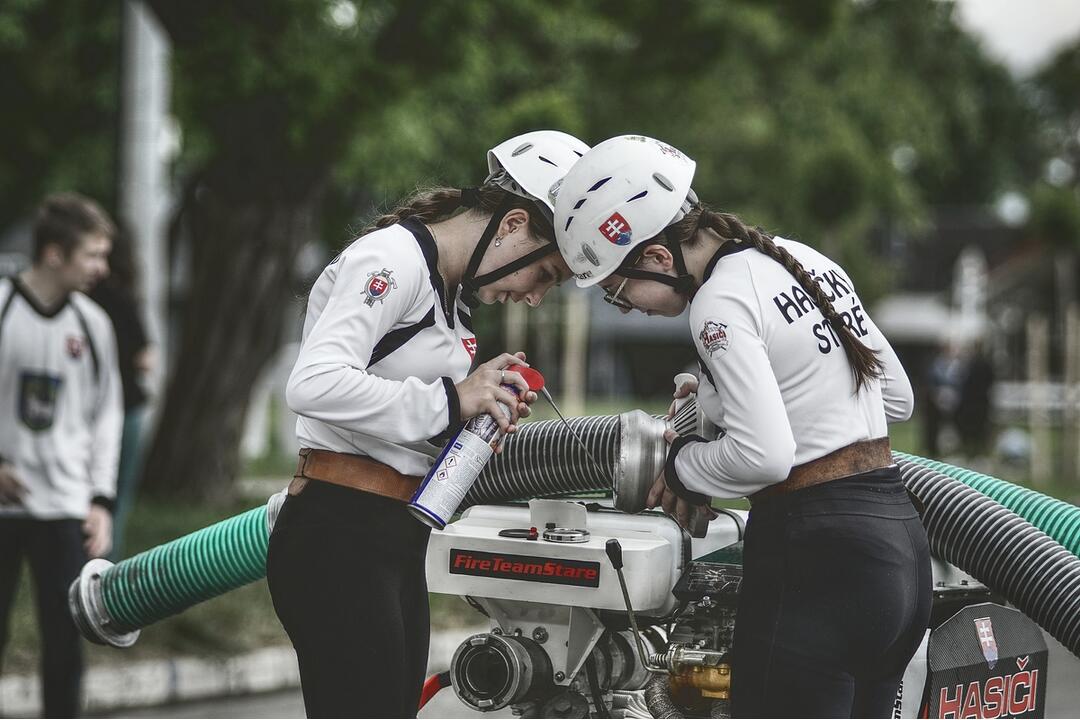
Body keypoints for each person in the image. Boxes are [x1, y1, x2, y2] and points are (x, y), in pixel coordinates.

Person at [553, 135, 931, 718]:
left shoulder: (717, 301)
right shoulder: (802, 258)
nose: (629, 309)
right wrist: (714, 393)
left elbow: (765, 457)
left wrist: (679, 465)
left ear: (656, 257)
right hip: (898, 550)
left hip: (816, 556)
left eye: (620, 294)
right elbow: (895, 398)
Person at [266, 130, 588, 718]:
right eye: (545, 273)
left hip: (392, 535)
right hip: (338, 531)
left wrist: (478, 410)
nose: (536, 297)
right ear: (513, 223)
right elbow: (311, 384)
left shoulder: (451, 294)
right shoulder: (392, 258)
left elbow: (409, 411)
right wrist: (451, 400)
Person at [0, 193, 123, 718]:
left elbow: (106, 416)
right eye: (93, 254)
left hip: (67, 508)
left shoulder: (94, 325)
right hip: (5, 508)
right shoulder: (4, 307)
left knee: (65, 642)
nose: (103, 267)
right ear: (55, 253)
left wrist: (100, 499)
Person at [89, 225, 154, 559]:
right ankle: (105, 571)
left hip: (85, 411)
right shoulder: (122, 298)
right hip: (127, 408)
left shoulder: (80, 301)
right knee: (117, 497)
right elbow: (146, 358)